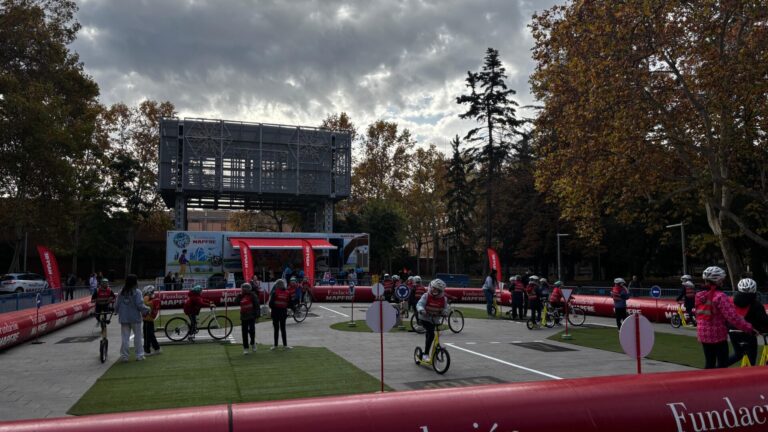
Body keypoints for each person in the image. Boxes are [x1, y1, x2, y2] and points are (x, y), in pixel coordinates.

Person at [696, 266, 754, 369]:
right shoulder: (720, 296)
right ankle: (720, 384)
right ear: (718, 280)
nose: (723, 281)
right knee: (723, 364)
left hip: (703, 334)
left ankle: (706, 384)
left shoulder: (700, 295)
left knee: (709, 363)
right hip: (717, 335)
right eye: (722, 279)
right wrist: (749, 328)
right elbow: (732, 317)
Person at [726, 278, 768, 367]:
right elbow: (764, 321)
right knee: (751, 359)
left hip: (732, 331)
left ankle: (719, 366)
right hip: (749, 332)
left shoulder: (730, 301)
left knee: (738, 354)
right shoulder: (756, 305)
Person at [114, 274, 150, 362]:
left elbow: (117, 304)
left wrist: (116, 311)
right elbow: (140, 304)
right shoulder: (137, 292)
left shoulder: (121, 292)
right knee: (137, 337)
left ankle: (124, 356)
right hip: (135, 318)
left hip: (124, 318)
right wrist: (147, 309)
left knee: (125, 338)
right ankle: (139, 355)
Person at [416, 278, 450, 362]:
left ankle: (431, 351)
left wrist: (445, 312)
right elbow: (419, 304)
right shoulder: (426, 296)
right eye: (433, 288)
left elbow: (446, 308)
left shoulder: (443, 299)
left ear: (440, 290)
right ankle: (426, 354)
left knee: (430, 334)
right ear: (431, 287)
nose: (434, 290)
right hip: (425, 318)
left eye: (437, 289)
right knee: (431, 334)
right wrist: (421, 309)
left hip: (434, 319)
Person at [236, 283, 260, 355]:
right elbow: (236, 302)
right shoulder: (241, 296)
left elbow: (257, 305)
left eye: (244, 288)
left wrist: (257, 316)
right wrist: (239, 296)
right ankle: (245, 348)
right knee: (244, 333)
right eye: (242, 288)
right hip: (243, 317)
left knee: (252, 331)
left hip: (251, 316)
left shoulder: (252, 295)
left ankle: (253, 343)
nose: (243, 290)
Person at [268, 278, 293, 350]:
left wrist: (275, 306)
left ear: (277, 285)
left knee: (276, 330)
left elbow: (270, 304)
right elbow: (290, 303)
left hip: (275, 313)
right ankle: (285, 345)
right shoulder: (287, 293)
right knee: (283, 329)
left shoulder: (274, 292)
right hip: (283, 313)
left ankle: (275, 346)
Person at [142, 285, 161, 356]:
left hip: (147, 320)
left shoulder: (148, 299)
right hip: (150, 320)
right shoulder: (154, 299)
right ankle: (156, 348)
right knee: (151, 335)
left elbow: (143, 303)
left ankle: (147, 350)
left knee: (147, 336)